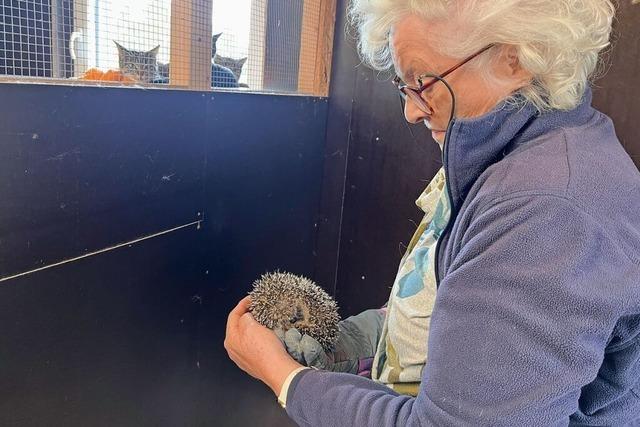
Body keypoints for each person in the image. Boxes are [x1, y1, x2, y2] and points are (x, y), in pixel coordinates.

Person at [225, 0, 640, 424]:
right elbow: (433, 314)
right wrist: (346, 341)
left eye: (423, 82)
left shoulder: (544, 214)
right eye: (405, 86)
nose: (410, 110)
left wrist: (287, 379)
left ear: (514, 59)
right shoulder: (497, 160)